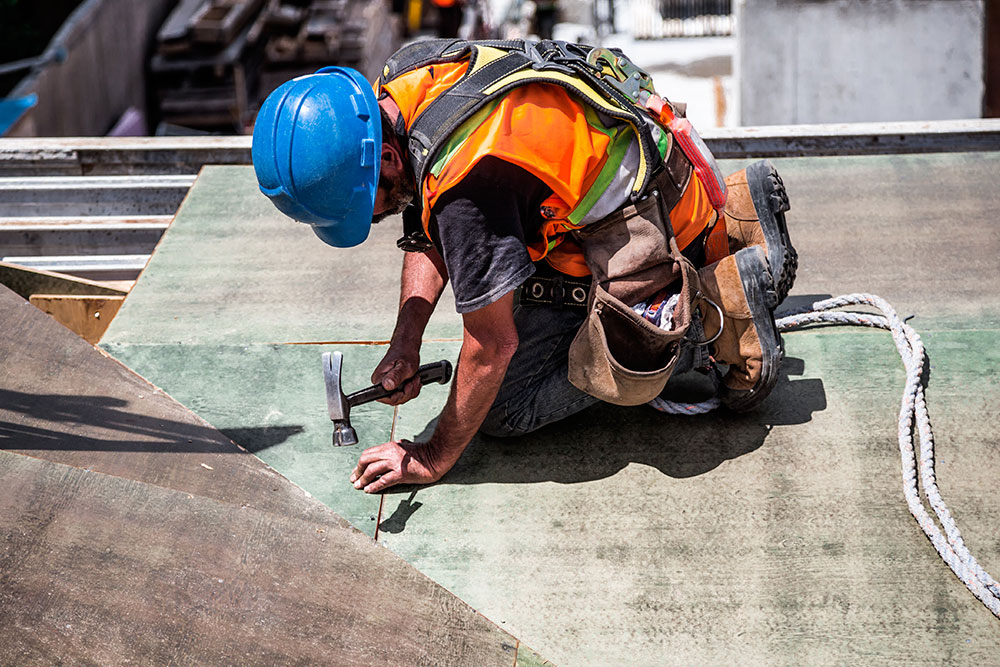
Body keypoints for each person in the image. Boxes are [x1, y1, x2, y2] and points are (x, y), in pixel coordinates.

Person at [251, 39, 797, 495]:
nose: (368, 222)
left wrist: (433, 456)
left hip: (650, 232)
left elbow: (492, 346)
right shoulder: (407, 79)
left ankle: (714, 312)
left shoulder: (469, 186)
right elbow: (424, 221)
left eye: (362, 207)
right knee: (494, 285)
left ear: (387, 158)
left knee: (506, 408)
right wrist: (406, 341)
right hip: (661, 177)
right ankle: (738, 216)